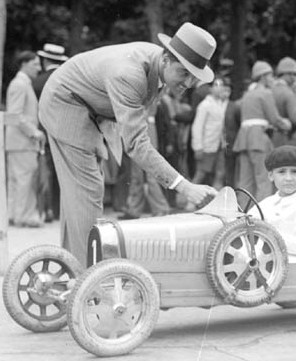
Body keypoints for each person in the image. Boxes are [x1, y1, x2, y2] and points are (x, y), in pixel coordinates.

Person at [38, 22, 218, 265]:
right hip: (66, 105)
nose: (187, 83)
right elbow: (136, 143)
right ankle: (88, 276)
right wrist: (185, 187)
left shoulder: (157, 66)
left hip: (90, 109)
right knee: (88, 190)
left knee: (79, 195)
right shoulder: (130, 73)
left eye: (194, 77)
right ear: (166, 58)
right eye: (183, 73)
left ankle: (73, 268)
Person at [247, 145, 296, 263]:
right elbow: (247, 224)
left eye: (294, 172)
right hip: (269, 262)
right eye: (281, 172)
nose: (288, 178)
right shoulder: (266, 204)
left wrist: (265, 233)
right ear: (271, 176)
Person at [232, 61, 292, 202]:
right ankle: (261, 216)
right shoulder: (265, 93)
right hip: (258, 139)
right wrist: (287, 124)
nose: (272, 78)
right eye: (270, 75)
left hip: (243, 139)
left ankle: (243, 214)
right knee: (263, 179)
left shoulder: (247, 95)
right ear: (263, 76)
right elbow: (275, 119)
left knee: (245, 181)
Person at [5, 50, 45, 228]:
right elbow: (15, 114)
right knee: (24, 180)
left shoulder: (21, 83)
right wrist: (34, 132)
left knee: (18, 180)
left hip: (17, 142)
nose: (39, 68)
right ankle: (24, 216)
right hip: (22, 141)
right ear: (24, 64)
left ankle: (15, 214)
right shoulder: (20, 84)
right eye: (35, 64)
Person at [32, 43, 69, 222]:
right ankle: (62, 209)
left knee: (46, 171)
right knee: (65, 172)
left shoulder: (37, 81)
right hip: (67, 131)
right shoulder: (67, 79)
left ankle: (47, 209)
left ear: (45, 59)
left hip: (44, 130)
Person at [119, 99, 173, 219]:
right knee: (138, 175)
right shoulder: (148, 95)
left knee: (149, 174)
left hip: (144, 129)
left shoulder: (149, 95)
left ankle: (160, 208)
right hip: (141, 127)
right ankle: (136, 208)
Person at [191, 77, 230, 188]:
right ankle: (190, 200)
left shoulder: (221, 104)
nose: (219, 88)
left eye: (221, 86)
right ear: (211, 89)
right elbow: (197, 126)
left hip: (219, 144)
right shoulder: (204, 105)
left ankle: (217, 199)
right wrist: (198, 147)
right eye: (216, 85)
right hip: (206, 144)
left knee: (220, 173)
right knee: (201, 173)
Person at [271, 56, 296, 147]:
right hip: (281, 134)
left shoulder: (270, 89)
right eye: (295, 75)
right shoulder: (287, 93)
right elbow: (295, 119)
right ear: (289, 75)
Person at [221, 78, 241, 189]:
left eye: (228, 90)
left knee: (230, 171)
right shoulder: (211, 104)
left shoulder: (234, 107)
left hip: (230, 144)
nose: (225, 92)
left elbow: (239, 125)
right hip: (213, 144)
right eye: (223, 89)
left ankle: (230, 192)